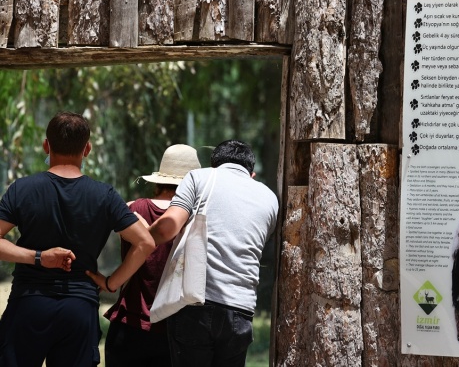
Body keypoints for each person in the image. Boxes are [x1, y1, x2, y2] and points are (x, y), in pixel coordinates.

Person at [0, 111, 155, 367]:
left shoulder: (22, 188)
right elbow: (145, 242)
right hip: (79, 307)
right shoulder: (104, 195)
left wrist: (38, 258)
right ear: (88, 149)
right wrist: (111, 283)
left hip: (29, 303)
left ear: (46, 145)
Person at [147, 139, 279, 367]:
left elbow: (168, 227)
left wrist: (140, 236)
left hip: (195, 303)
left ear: (214, 164)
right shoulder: (270, 198)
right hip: (241, 312)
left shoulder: (200, 177)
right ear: (252, 173)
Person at [103, 144, 201, 367]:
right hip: (174, 332)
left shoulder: (132, 210)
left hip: (129, 325)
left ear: (158, 180)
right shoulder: (198, 219)